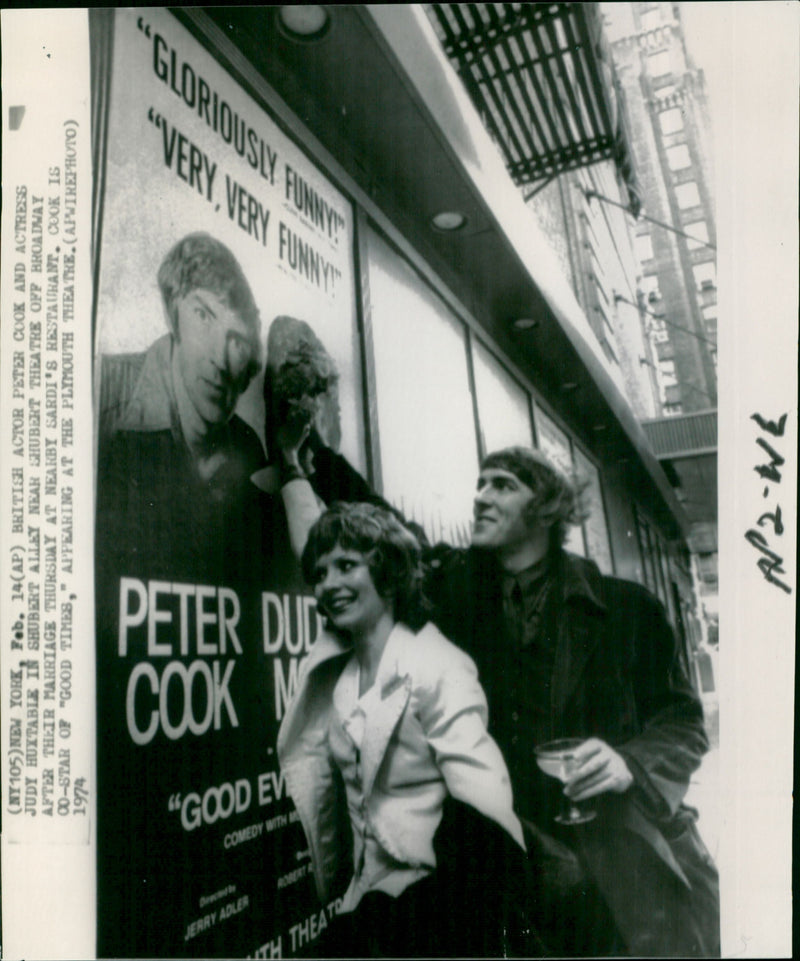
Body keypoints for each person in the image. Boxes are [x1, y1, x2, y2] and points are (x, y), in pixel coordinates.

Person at [283, 443, 721, 957]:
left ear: (549, 507)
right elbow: (381, 522)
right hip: (520, 862)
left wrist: (628, 764)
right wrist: (304, 453)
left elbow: (684, 723)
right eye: (481, 483)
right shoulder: (456, 590)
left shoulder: (628, 609)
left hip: (623, 858)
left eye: (503, 485)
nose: (481, 497)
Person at [277, 502, 530, 958]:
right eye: (320, 574)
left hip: (435, 911)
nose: (329, 583)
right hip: (364, 899)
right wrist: (291, 466)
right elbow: (310, 544)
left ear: (388, 574)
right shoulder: (340, 672)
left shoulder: (437, 666)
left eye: (346, 566)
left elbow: (488, 819)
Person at [96, 232, 266, 581]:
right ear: (173, 316)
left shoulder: (248, 448)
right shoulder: (101, 397)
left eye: (236, 339)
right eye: (203, 316)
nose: (219, 359)